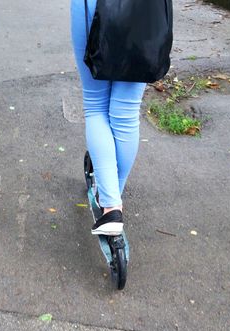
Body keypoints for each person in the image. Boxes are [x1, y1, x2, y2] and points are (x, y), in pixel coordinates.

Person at [71, 0, 147, 236]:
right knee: (125, 113)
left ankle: (111, 203)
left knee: (95, 104)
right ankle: (113, 202)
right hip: (144, 10)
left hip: (92, 6)